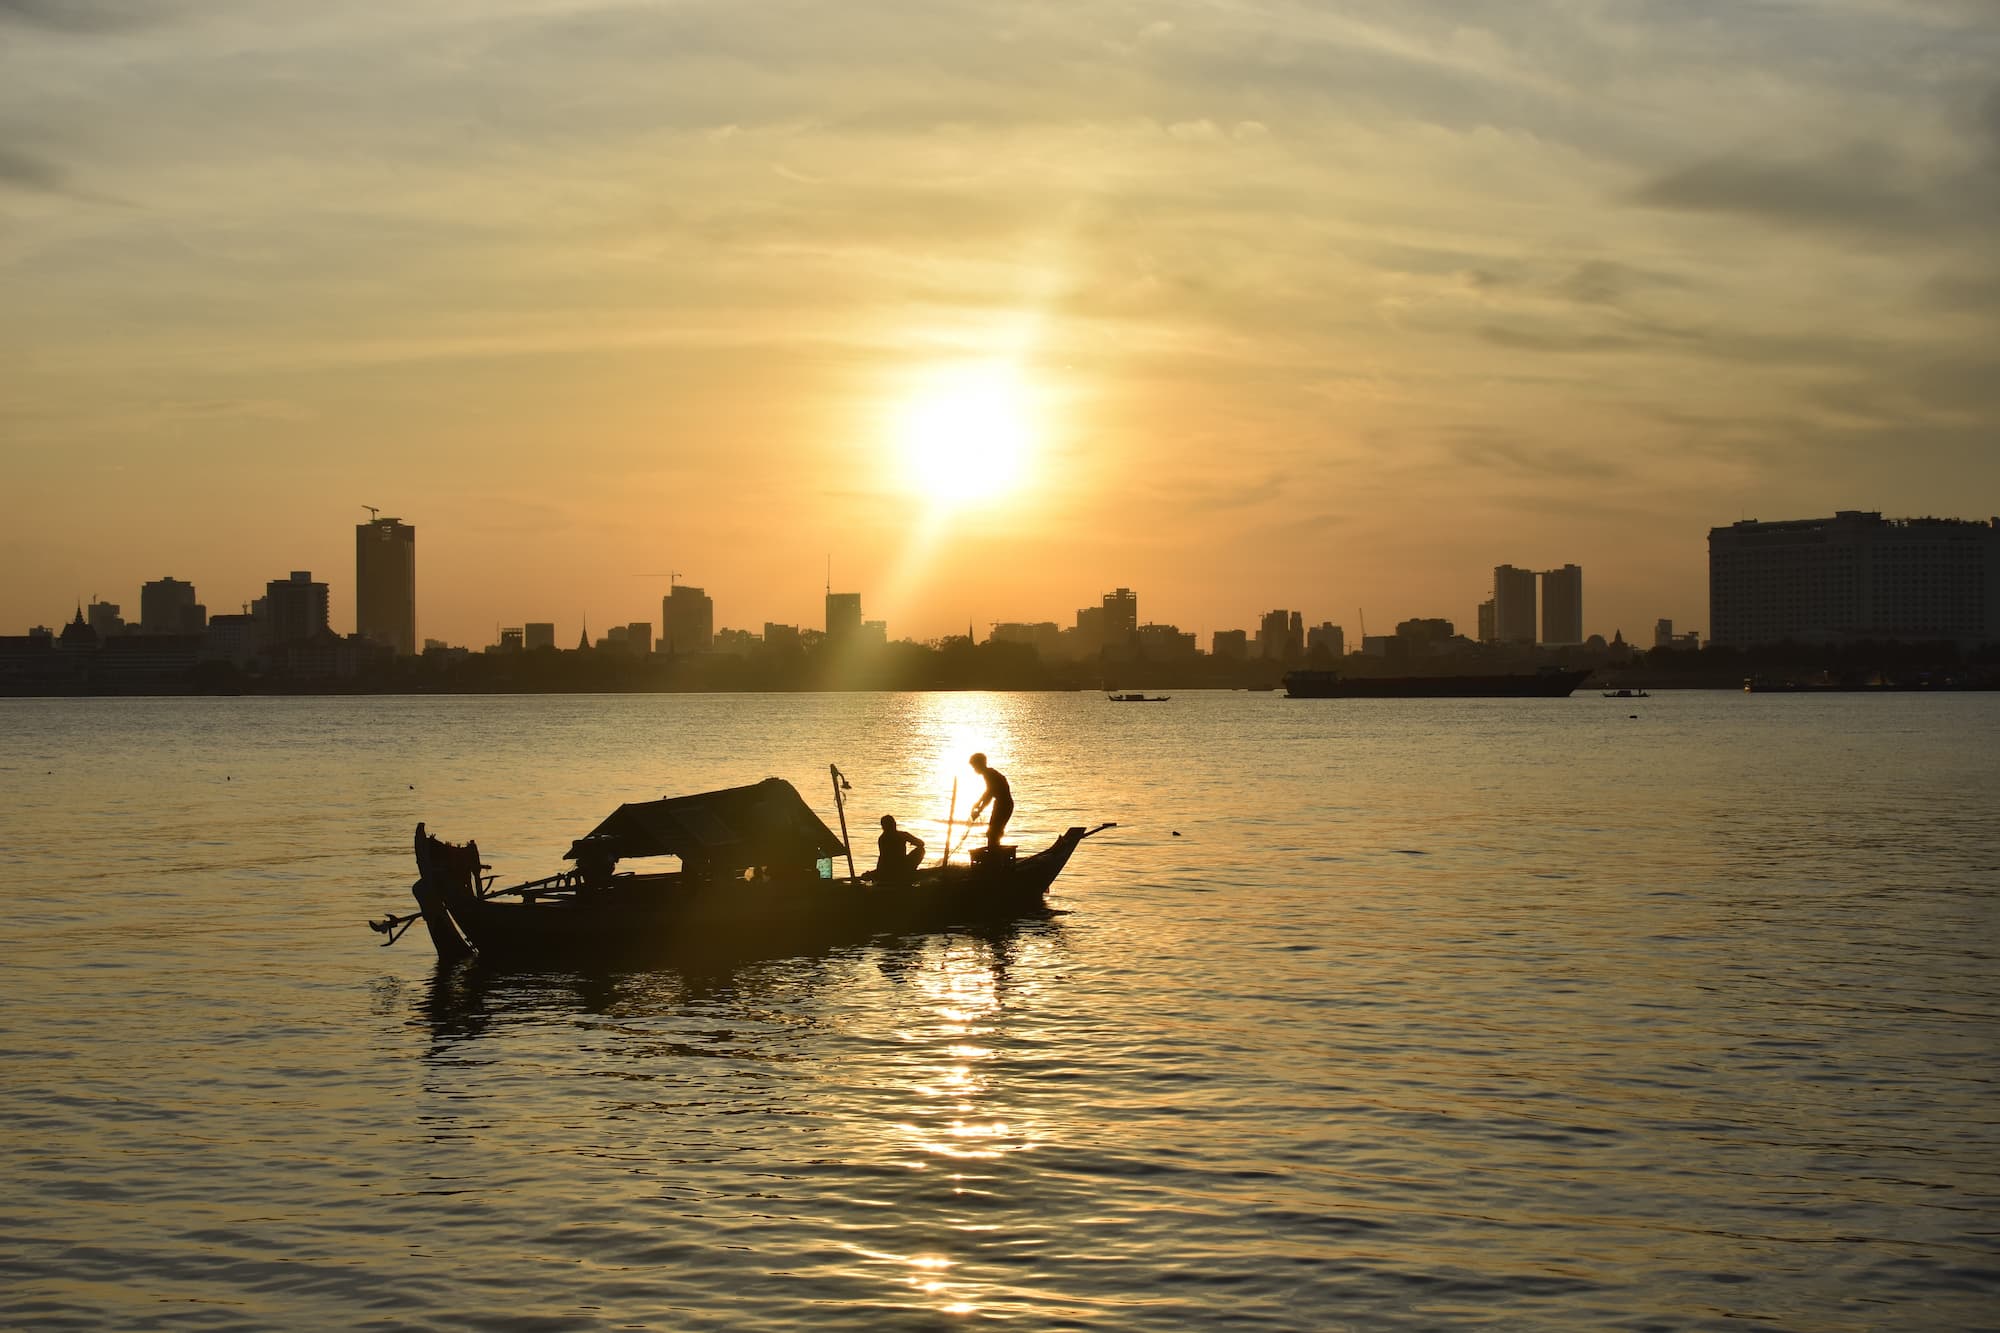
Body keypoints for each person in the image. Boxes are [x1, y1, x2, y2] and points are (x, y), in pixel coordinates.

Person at [966, 752, 1013, 851]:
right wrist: (978, 803)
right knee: (993, 833)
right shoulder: (988, 774)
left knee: (993, 833)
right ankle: (994, 855)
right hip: (1000, 804)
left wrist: (979, 809)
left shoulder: (990, 774)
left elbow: (990, 795)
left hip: (1004, 805)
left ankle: (994, 858)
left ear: (980, 764)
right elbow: (988, 792)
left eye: (974, 767)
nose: (974, 770)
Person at [875, 814, 926, 881]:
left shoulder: (882, 838)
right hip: (899, 867)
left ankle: (906, 872)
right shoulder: (902, 835)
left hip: (886, 868)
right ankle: (908, 872)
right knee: (921, 850)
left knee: (921, 849)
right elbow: (921, 844)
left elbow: (921, 843)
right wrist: (912, 841)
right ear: (894, 824)